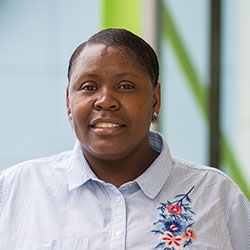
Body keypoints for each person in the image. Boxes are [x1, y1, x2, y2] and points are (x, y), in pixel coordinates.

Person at [0, 29, 249, 250]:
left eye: (126, 86)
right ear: (68, 100)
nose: (105, 100)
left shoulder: (218, 197)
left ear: (155, 99)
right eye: (88, 87)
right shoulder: (13, 192)